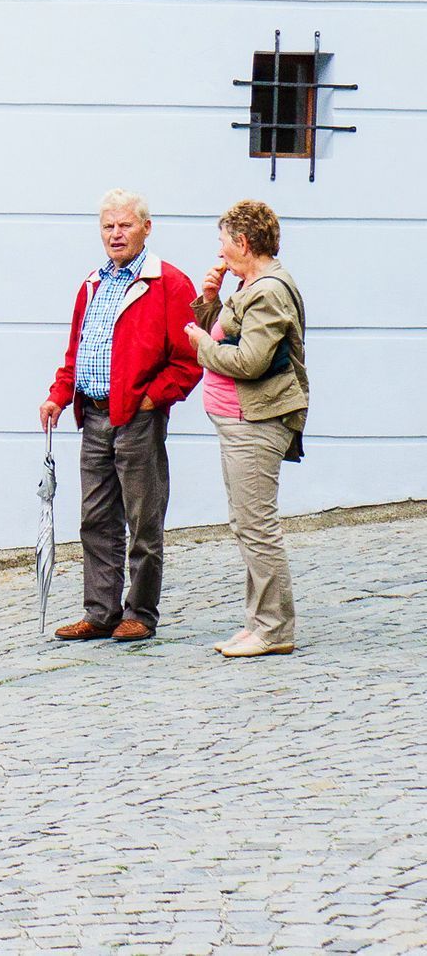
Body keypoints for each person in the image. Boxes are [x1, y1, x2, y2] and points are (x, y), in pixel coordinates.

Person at [41, 189, 201, 642]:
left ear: (146, 228)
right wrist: (59, 394)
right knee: (95, 518)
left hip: (137, 417)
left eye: (125, 225)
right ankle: (100, 611)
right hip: (92, 415)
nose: (116, 234)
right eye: (108, 226)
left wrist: (153, 399)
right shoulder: (92, 283)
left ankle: (141, 613)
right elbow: (77, 352)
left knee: (143, 519)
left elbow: (188, 360)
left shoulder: (169, 283)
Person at [183, 200, 308, 659]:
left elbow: (250, 361)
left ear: (243, 242)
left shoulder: (269, 290)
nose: (219, 250)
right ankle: (258, 622)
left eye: (223, 241)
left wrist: (200, 347)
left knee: (257, 526)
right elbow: (222, 333)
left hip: (256, 420)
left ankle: (274, 628)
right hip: (237, 420)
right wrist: (210, 299)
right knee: (245, 523)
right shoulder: (246, 284)